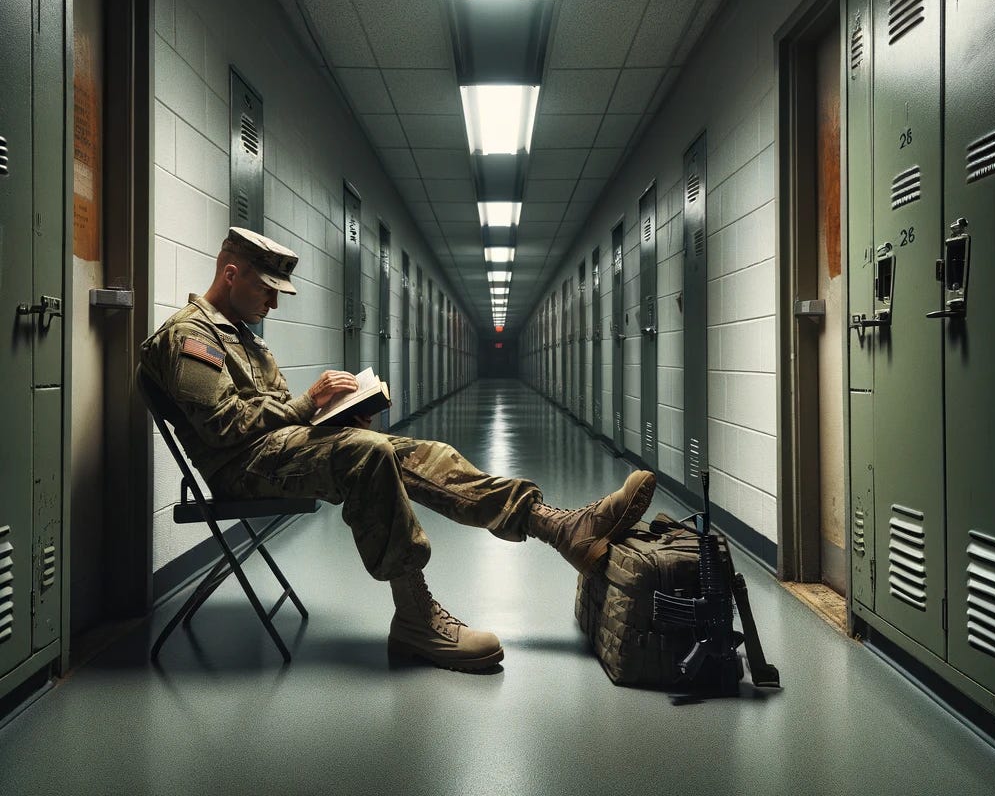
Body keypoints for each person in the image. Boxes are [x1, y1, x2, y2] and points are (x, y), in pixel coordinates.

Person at [140, 227, 656, 672]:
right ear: (231, 273)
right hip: (242, 470)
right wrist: (308, 405)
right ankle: (414, 617)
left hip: (276, 454)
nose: (273, 304)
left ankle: (556, 525)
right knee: (367, 454)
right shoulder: (190, 336)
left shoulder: (247, 338)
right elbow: (225, 427)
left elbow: (277, 420)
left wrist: (335, 417)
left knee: (419, 451)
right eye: (267, 289)